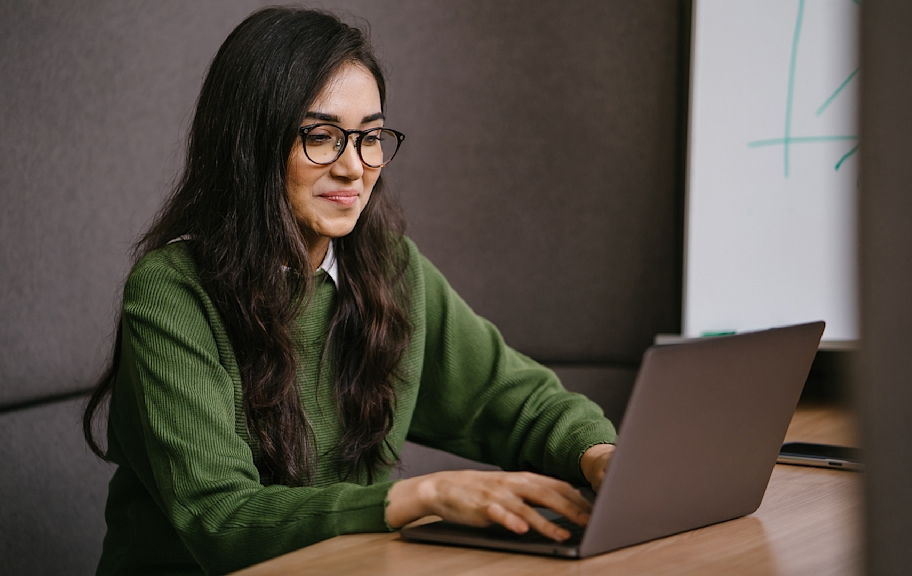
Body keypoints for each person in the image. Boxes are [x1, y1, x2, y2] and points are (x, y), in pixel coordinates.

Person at [82, 7, 617, 575]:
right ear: (250, 145)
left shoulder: (390, 269)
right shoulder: (172, 292)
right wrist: (420, 498)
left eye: (369, 137)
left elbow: (512, 401)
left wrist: (601, 457)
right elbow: (220, 518)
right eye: (321, 136)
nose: (354, 167)